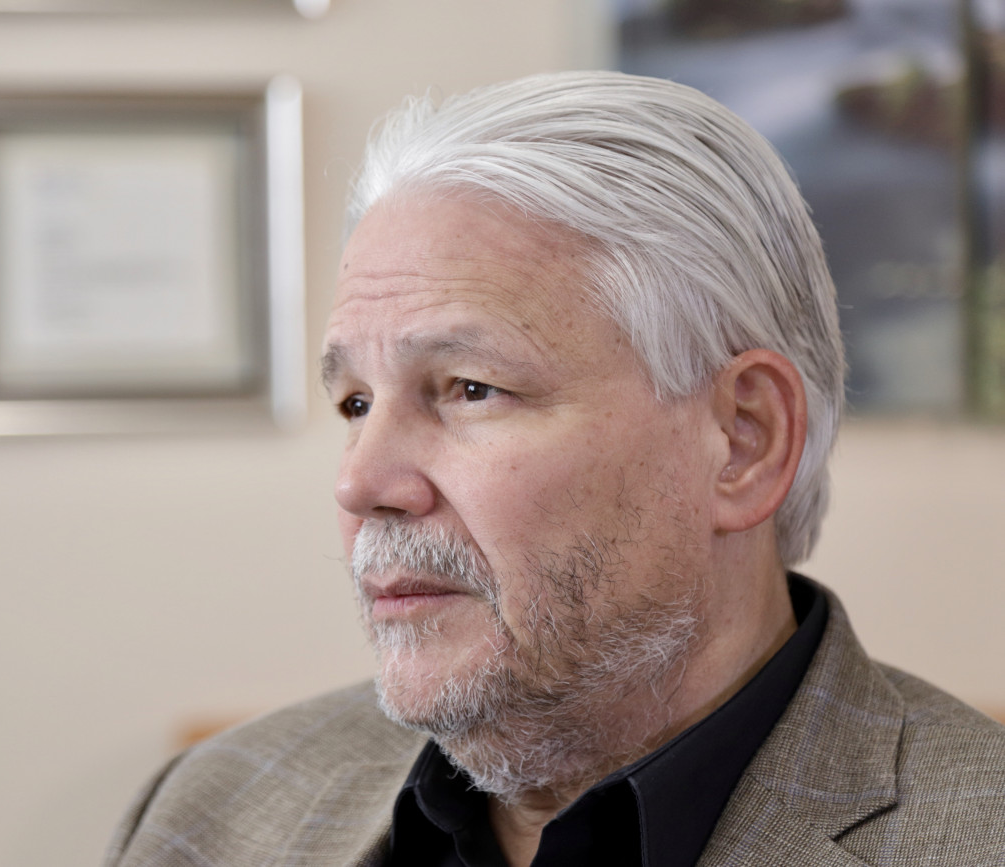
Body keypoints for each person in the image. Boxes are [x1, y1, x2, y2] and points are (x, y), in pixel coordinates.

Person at [103, 71, 1005, 866]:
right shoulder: (209, 812)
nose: (361, 484)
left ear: (742, 440)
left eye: (470, 388)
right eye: (356, 403)